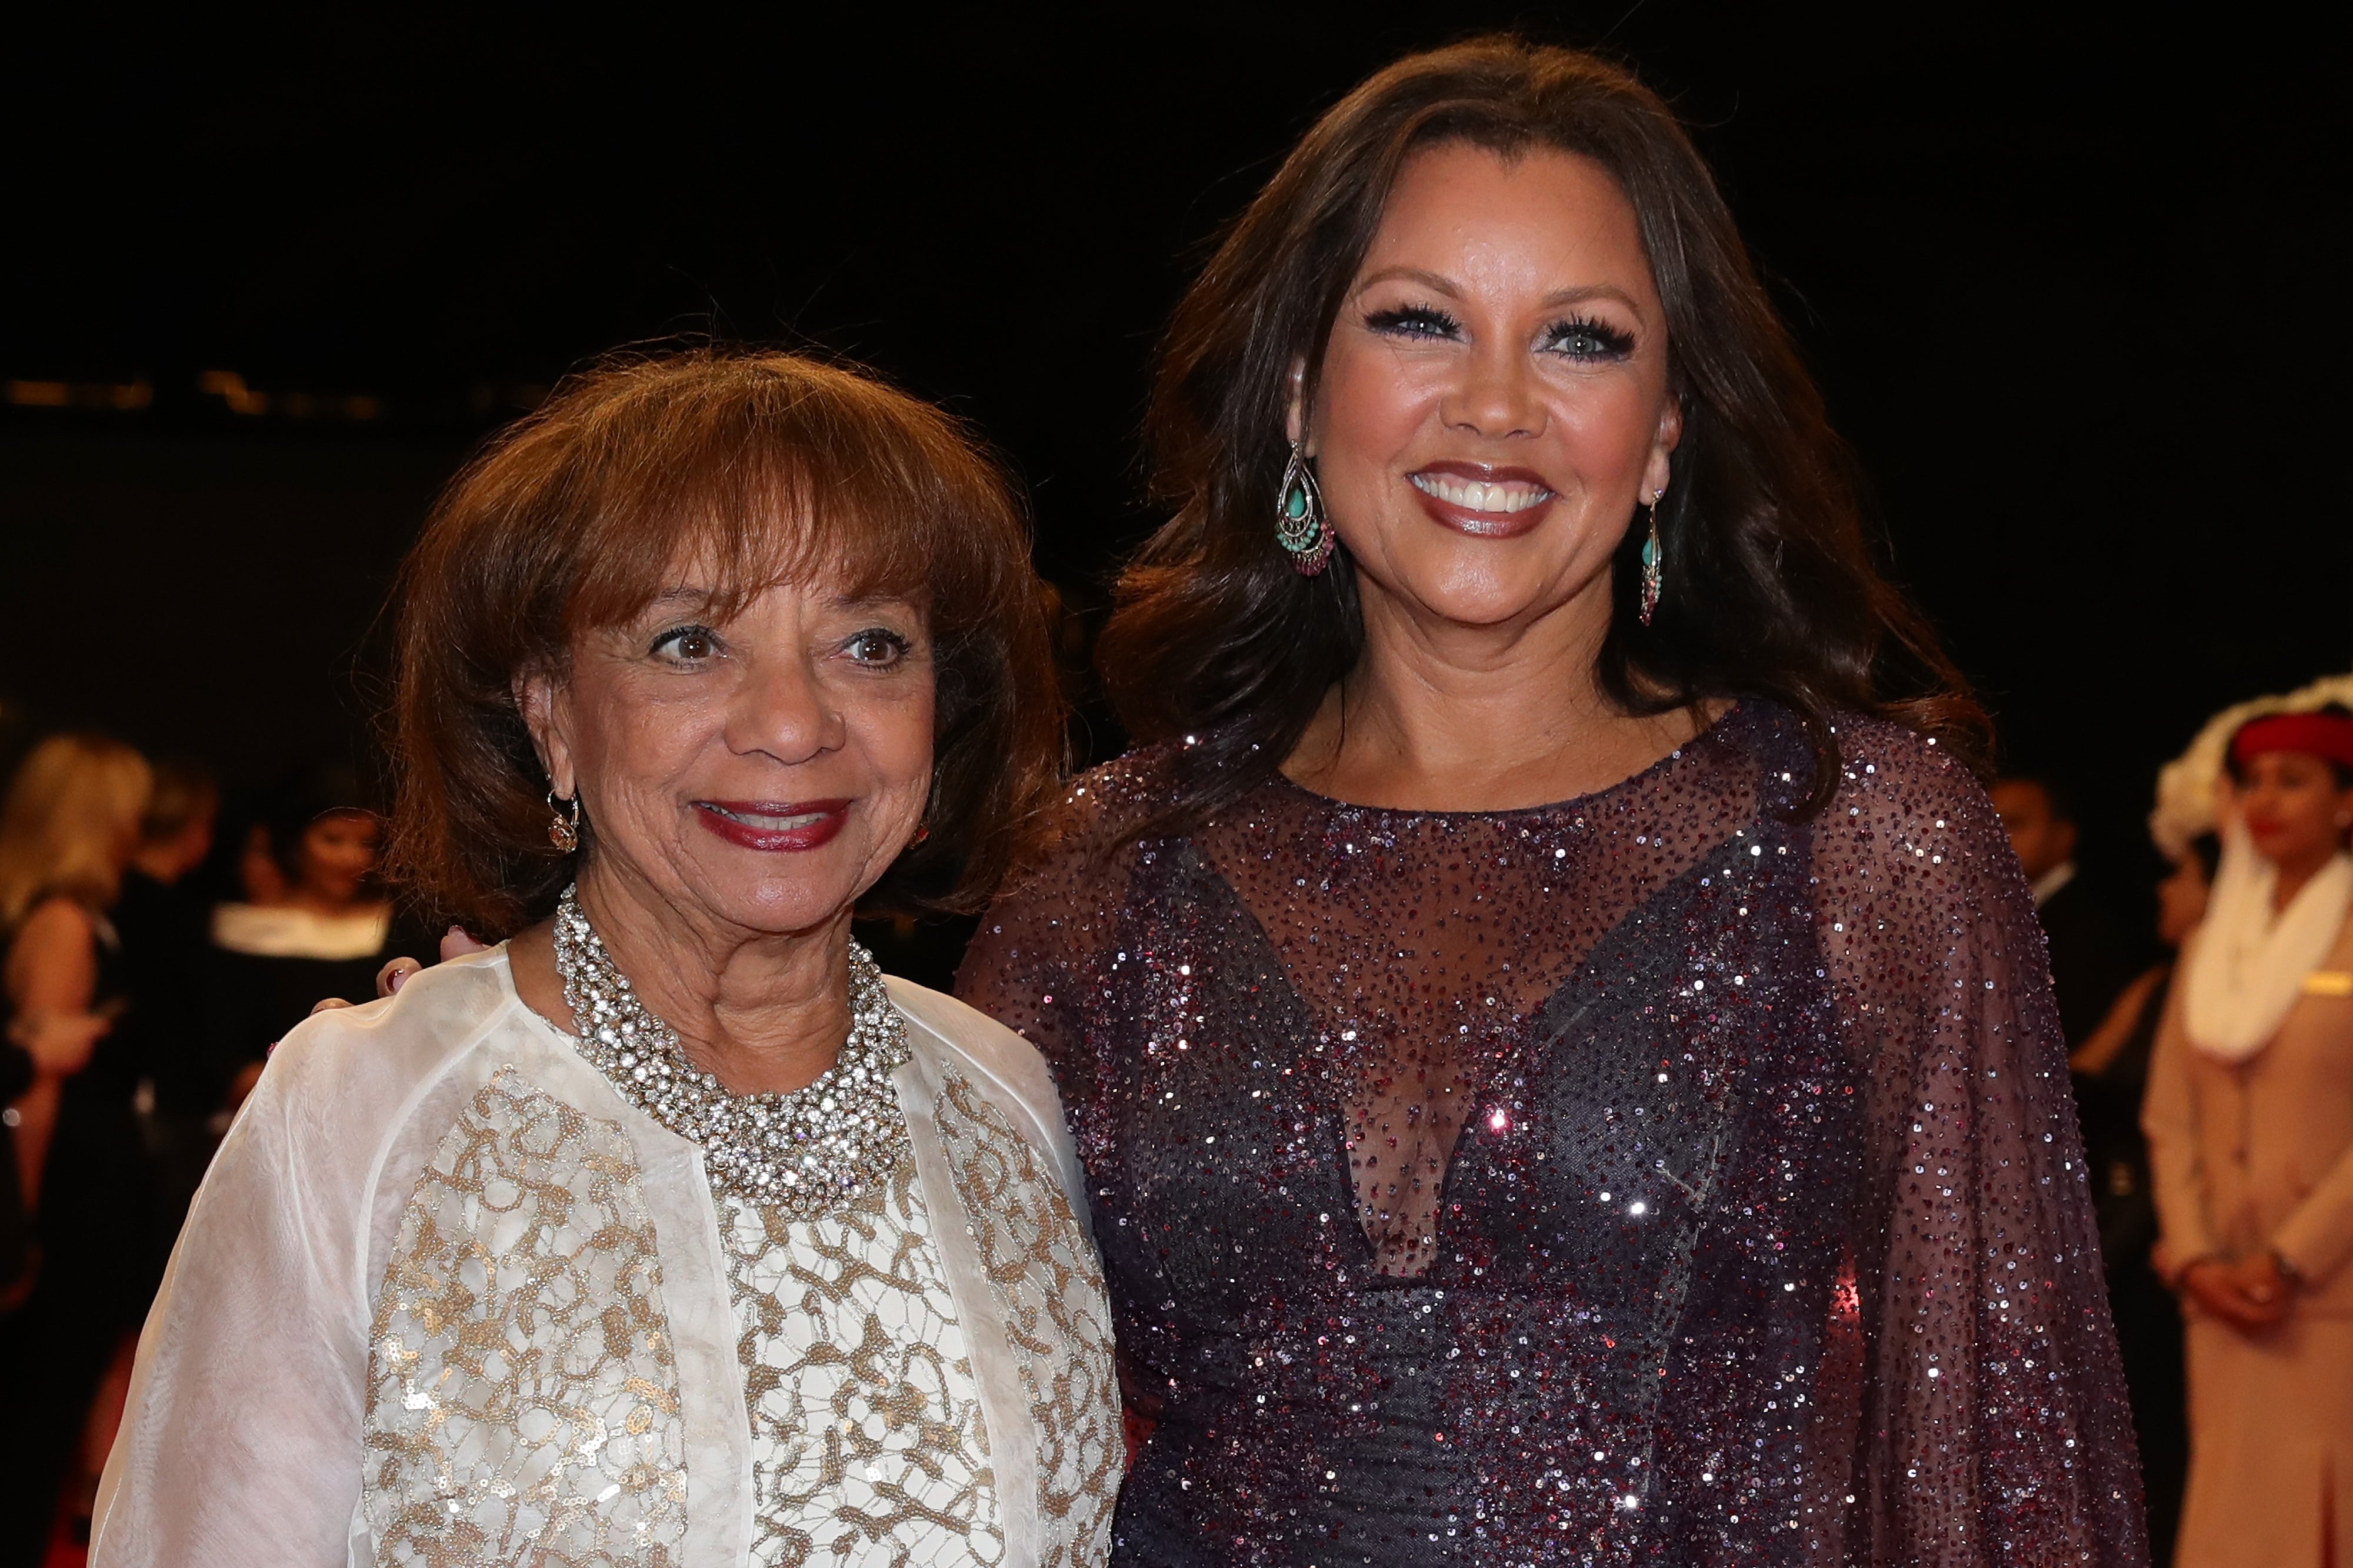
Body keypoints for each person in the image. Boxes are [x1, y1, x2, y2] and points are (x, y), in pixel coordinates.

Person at [958, 38, 2144, 1565]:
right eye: (1419, 321)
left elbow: (1999, 1459)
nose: (1497, 405)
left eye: (1580, 340)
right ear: (1305, 392)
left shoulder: (1861, 843)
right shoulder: (1104, 866)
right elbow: (974, 1422)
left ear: (1665, 433)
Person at [92, 351, 1122, 1565]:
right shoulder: (364, 1111)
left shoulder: (1004, 1099)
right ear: (550, 715)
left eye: (870, 644)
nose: (792, 723)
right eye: (689, 642)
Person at [2144, 698, 2353, 1568]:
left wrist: (2292, 1253)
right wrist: (2193, 1254)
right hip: (2225, 1296)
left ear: (2345, 802)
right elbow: (2171, 1113)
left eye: (2293, 781)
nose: (2265, 800)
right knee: (2238, 1521)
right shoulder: (2214, 942)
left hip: (2329, 1293)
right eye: (2253, 781)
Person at [0, 734, 155, 1563]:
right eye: (128, 808)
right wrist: (21, 1222)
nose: (139, 826)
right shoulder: (63, 918)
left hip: (72, 1188)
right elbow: (39, 1084)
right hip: (65, 1195)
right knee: (39, 1413)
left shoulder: (61, 909)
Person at [2071, 833, 2214, 1566]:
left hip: (2176, 1229)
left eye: (2183, 876)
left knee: (2168, 1430)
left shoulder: (2216, 989)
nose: (2165, 890)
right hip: (2125, 1222)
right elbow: (2082, 1080)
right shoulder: (2160, 981)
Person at [1994, 771, 2135, 1047]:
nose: (1995, 838)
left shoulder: (2088, 925)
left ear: (2063, 835)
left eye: (2014, 824)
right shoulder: (2001, 916)